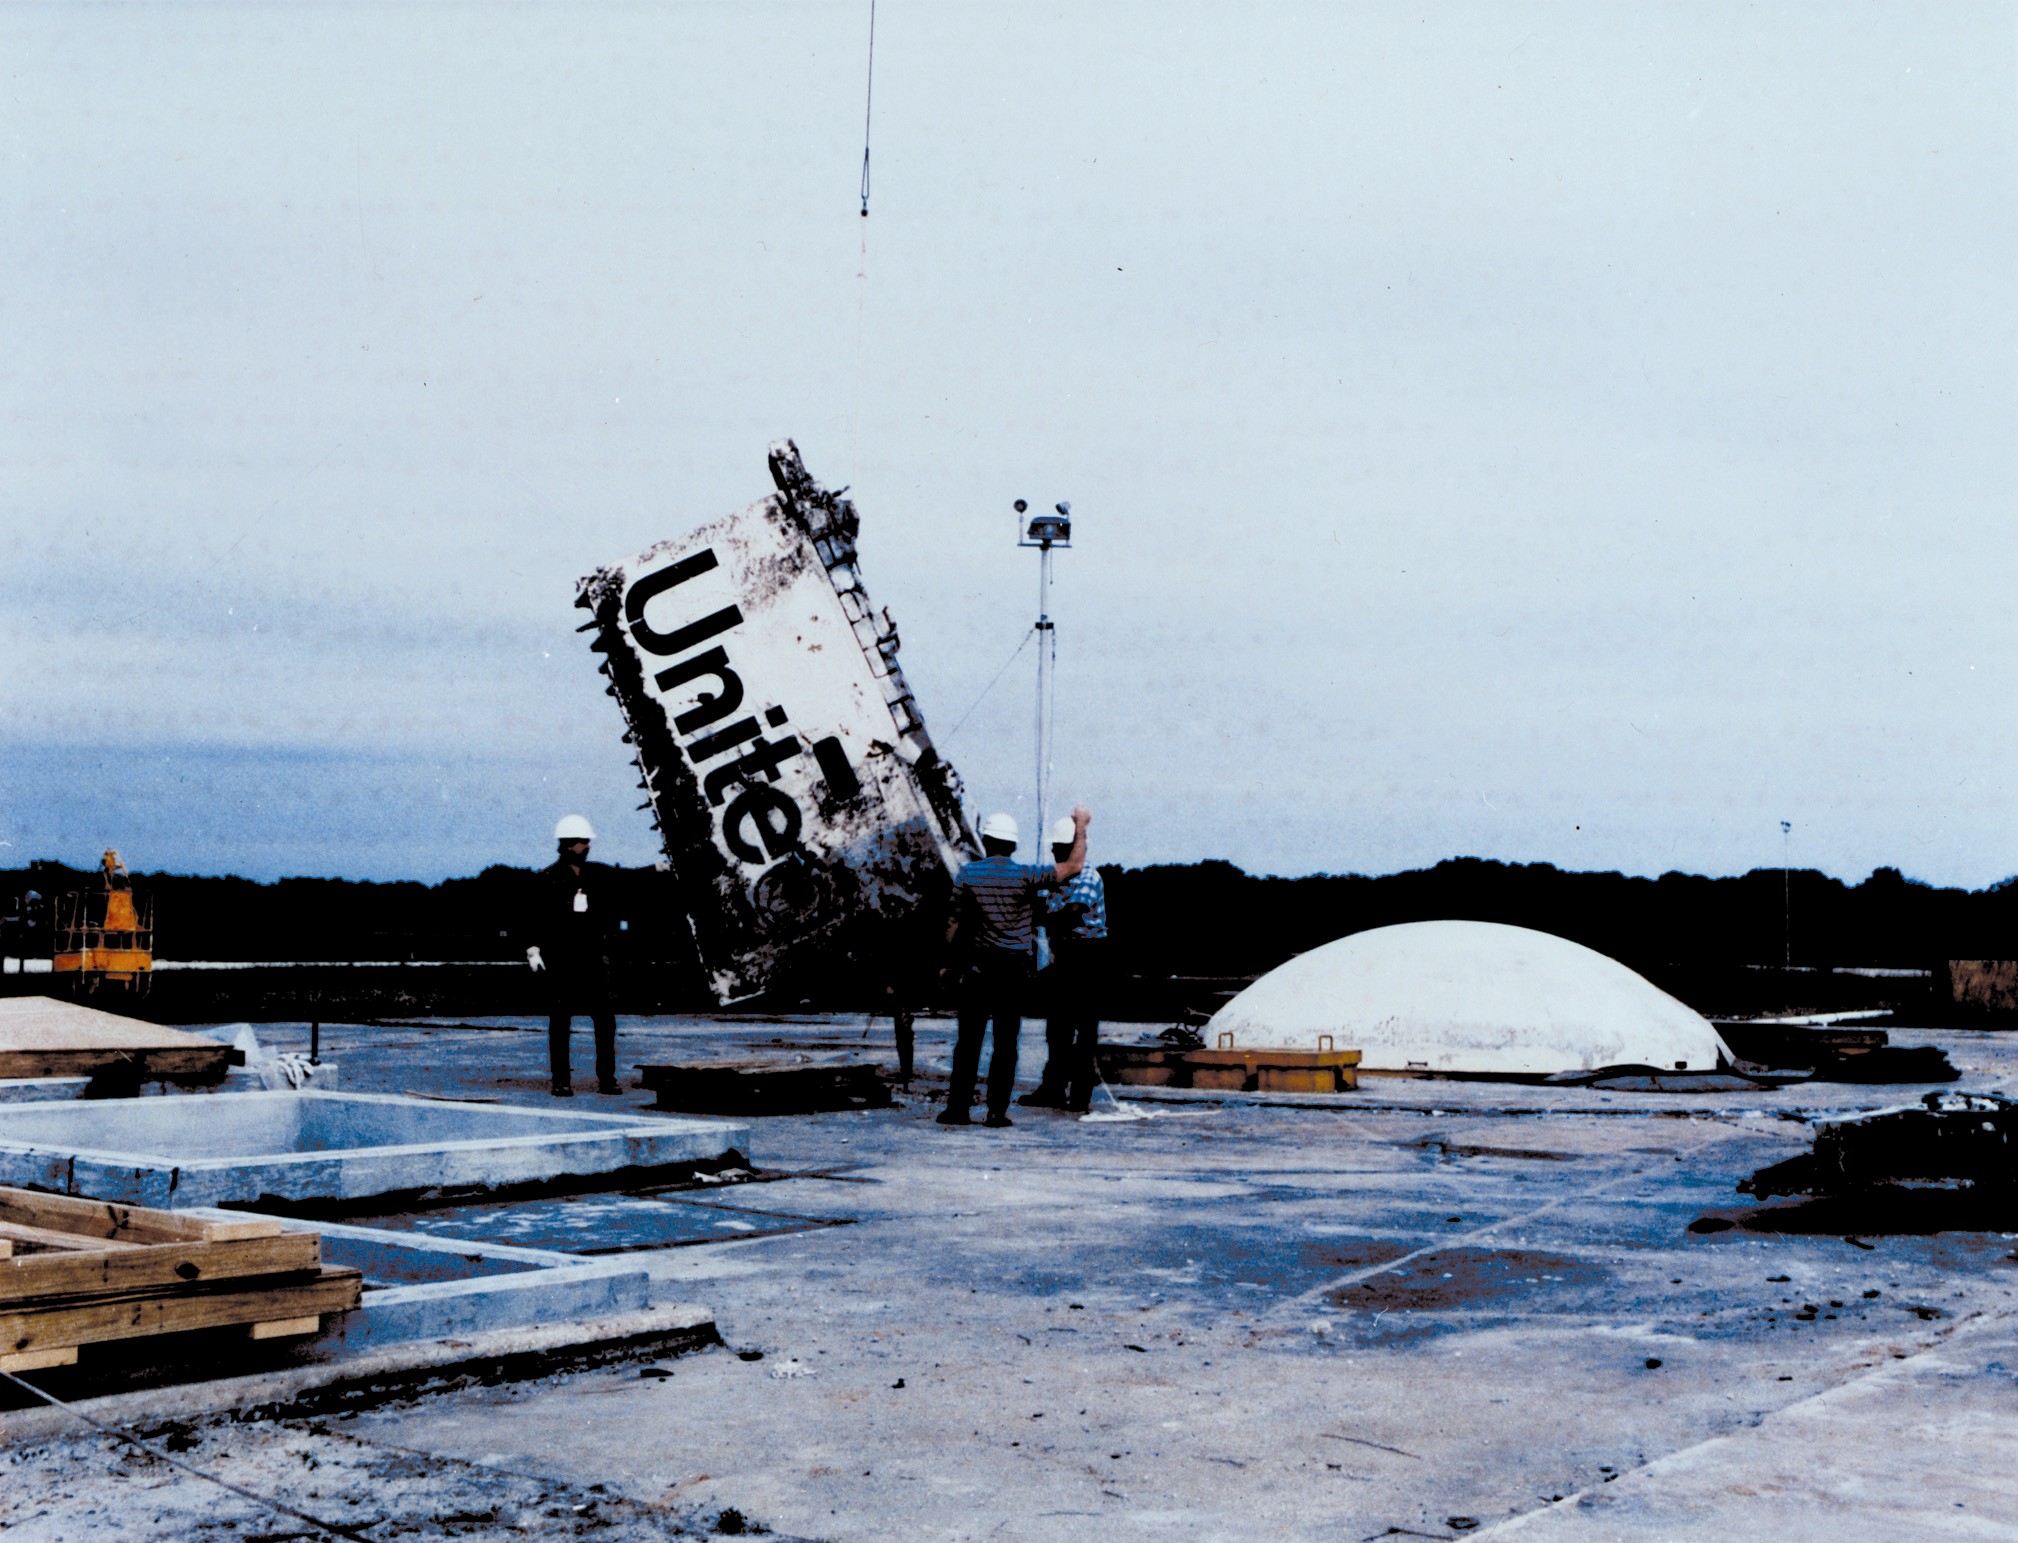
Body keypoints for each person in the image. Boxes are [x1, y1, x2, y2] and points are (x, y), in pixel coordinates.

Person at [939, 805, 1090, 1128]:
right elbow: (1075, 865)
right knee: (1006, 1044)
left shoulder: (968, 874)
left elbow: (953, 923)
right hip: (1013, 969)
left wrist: (948, 964)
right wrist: (1080, 824)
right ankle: (996, 1112)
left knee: (968, 1042)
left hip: (977, 967)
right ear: (1012, 845)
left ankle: (958, 1109)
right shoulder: (1026, 875)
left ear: (986, 840)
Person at [1022, 816, 1112, 1112]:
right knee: (1057, 1028)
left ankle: (1080, 1095)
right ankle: (1053, 1088)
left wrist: (1035, 919)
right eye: (1056, 850)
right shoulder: (1057, 877)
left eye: (1062, 849)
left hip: (1087, 955)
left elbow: (1072, 913)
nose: (1057, 855)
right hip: (1066, 955)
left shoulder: (1087, 876)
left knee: (1084, 1029)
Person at [526, 814, 620, 1097]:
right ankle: (561, 1080)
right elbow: (533, 918)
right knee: (560, 1021)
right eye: (581, 842)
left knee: (605, 1021)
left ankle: (607, 1079)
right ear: (567, 844)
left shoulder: (598, 876)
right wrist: (533, 949)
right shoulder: (547, 879)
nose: (586, 846)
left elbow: (610, 908)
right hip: (562, 958)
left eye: (587, 841)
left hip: (593, 957)